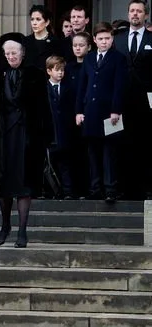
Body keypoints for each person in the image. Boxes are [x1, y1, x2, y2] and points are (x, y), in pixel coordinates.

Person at [0, 33, 54, 248]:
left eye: (14, 53)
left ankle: (22, 230)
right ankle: (5, 226)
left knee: (24, 185)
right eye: (7, 53)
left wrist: (48, 138)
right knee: (4, 185)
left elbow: (44, 108)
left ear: (23, 53)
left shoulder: (35, 74)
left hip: (26, 136)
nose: (11, 56)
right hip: (3, 137)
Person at [75, 22, 128, 203]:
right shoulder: (89, 58)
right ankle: (95, 188)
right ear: (95, 40)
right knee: (92, 152)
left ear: (112, 39)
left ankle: (110, 189)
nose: (104, 41)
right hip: (90, 111)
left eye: (107, 38)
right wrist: (78, 111)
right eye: (101, 38)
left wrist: (115, 110)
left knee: (109, 152)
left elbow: (119, 87)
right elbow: (82, 85)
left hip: (109, 113)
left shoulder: (118, 58)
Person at [113, 0, 152, 199]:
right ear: (128, 14)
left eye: (139, 11)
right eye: (132, 11)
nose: (135, 14)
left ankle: (144, 187)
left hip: (146, 103)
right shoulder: (117, 39)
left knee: (144, 144)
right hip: (120, 102)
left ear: (146, 15)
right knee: (120, 143)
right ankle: (123, 187)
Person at [65, 32, 93, 198]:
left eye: (81, 45)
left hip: (89, 113)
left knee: (88, 153)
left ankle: (89, 187)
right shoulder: (68, 68)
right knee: (73, 153)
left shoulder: (93, 65)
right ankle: (73, 189)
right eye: (75, 45)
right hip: (71, 116)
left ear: (89, 46)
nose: (77, 48)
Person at [46, 56, 77, 199]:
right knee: (49, 163)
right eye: (57, 70)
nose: (60, 73)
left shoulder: (68, 87)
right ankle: (50, 191)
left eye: (62, 70)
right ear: (49, 71)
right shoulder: (44, 88)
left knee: (65, 164)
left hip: (65, 132)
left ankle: (68, 191)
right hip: (50, 132)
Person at [24, 5, 64, 70]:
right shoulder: (26, 41)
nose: (34, 23)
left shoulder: (55, 41)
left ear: (47, 22)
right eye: (32, 19)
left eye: (38, 19)